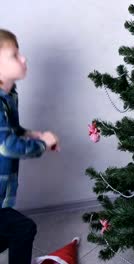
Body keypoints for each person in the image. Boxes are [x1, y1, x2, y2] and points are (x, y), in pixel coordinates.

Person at [0, 29, 60, 264]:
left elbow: (12, 130)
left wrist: (35, 134)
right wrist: (42, 145)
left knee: (6, 234)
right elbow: (7, 145)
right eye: (14, 55)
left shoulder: (9, 95)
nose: (23, 59)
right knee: (23, 229)